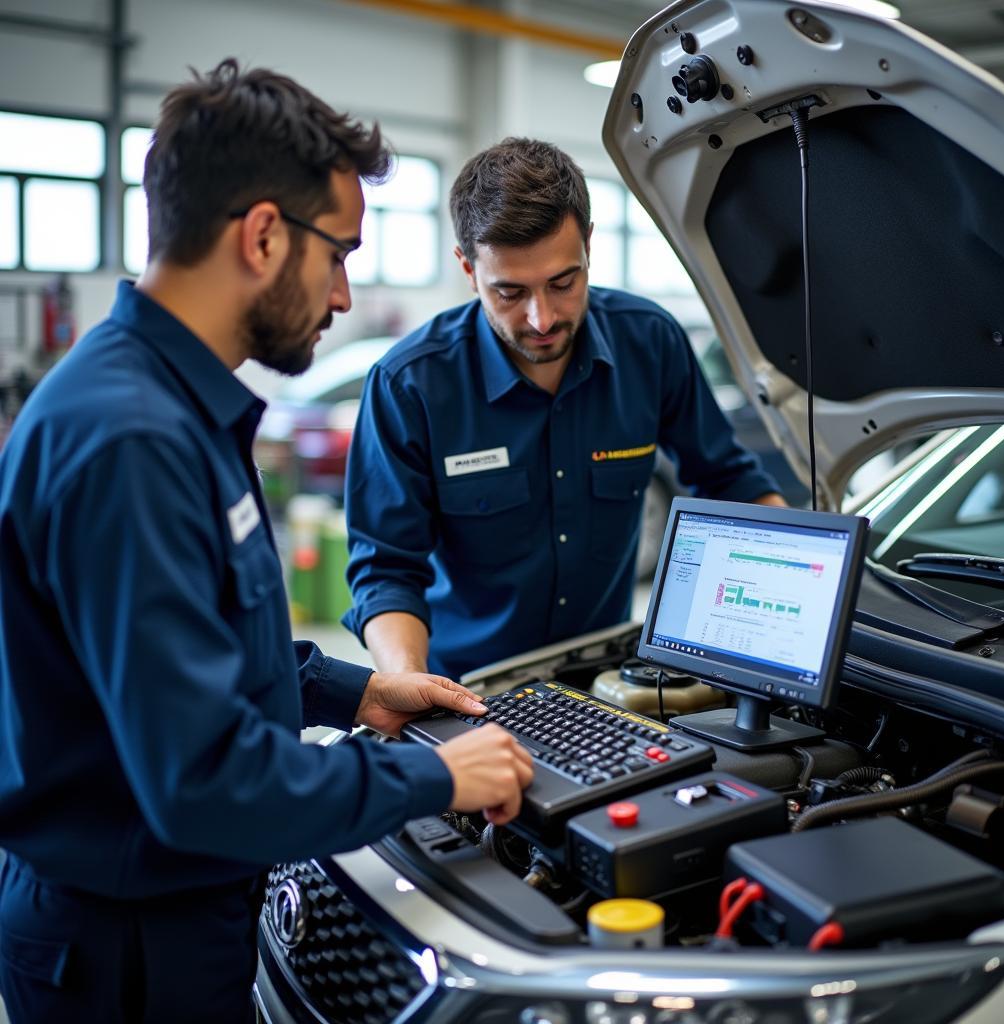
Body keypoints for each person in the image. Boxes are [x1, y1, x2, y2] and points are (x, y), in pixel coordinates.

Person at [0, 61, 532, 1024]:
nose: (341, 296)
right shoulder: (131, 440)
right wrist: (433, 775)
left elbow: (193, 657)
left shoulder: (168, 404)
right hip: (127, 952)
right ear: (260, 236)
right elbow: (202, 780)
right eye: (338, 255)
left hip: (166, 917)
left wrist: (355, 690)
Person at [344, 138, 785, 682]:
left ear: (589, 248)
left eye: (563, 282)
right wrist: (408, 680)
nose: (542, 318)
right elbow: (386, 569)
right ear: (467, 268)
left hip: (610, 683)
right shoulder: (410, 385)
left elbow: (728, 479)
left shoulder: (649, 343)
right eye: (509, 292)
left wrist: (802, 584)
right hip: (469, 689)